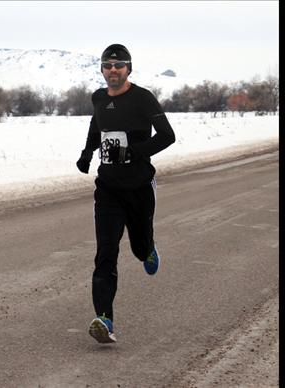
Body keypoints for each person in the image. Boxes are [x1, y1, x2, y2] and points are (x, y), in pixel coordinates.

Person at [76, 43, 175, 344]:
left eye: (119, 65)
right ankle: (104, 318)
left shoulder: (143, 98)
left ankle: (147, 248)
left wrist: (135, 152)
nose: (113, 70)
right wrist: (87, 152)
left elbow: (168, 136)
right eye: (108, 65)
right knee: (106, 251)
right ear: (102, 69)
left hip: (139, 186)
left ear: (128, 68)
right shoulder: (98, 98)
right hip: (108, 188)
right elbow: (97, 125)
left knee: (137, 246)